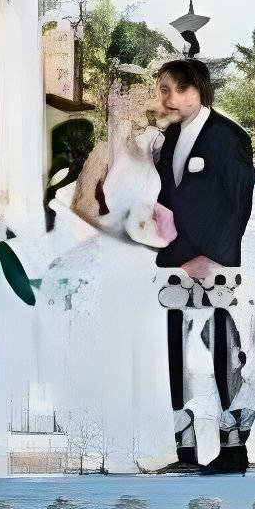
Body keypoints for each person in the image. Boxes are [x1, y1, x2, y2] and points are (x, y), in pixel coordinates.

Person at [51, 72, 178, 474]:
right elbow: (82, 206)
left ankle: (145, 445)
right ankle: (113, 446)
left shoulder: (149, 149)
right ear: (110, 103)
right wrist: (119, 229)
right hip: (116, 256)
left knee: (145, 346)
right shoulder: (104, 151)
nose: (129, 104)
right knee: (115, 348)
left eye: (135, 96)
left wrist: (155, 227)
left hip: (146, 260)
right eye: (120, 98)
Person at [153, 56, 255, 474]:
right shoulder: (168, 138)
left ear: (201, 91)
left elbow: (239, 205)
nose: (171, 98)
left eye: (181, 89)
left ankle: (233, 451)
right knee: (175, 355)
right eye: (164, 89)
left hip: (215, 266)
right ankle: (184, 449)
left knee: (221, 354)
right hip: (173, 263)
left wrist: (212, 254)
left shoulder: (228, 137)